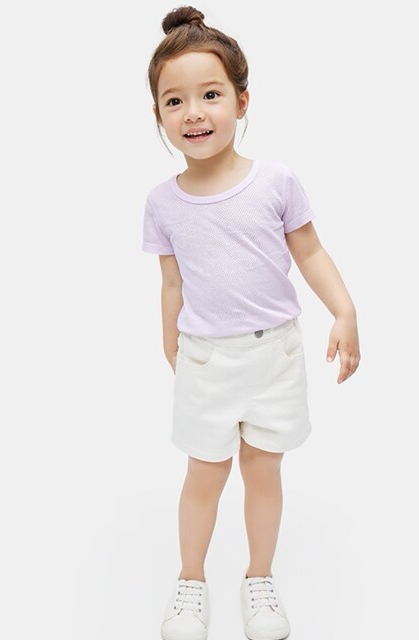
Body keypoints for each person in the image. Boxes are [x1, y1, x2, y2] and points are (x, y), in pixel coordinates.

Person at [141, 6, 361, 640]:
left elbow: (310, 253)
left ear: (241, 100)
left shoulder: (276, 182)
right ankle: (190, 582)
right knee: (204, 476)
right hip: (205, 359)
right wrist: (171, 340)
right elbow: (172, 282)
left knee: (263, 471)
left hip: (275, 357)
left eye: (210, 95)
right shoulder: (162, 202)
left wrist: (344, 310)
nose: (194, 112)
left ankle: (259, 580)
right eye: (175, 101)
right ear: (159, 116)